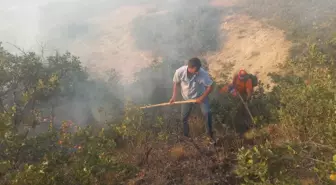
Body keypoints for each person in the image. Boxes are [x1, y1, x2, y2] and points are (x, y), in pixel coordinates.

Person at [169, 57, 214, 138]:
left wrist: (202, 98)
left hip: (200, 96)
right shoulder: (179, 72)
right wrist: (174, 96)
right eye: (196, 70)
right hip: (186, 98)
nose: (198, 72)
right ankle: (186, 136)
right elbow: (175, 82)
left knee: (207, 113)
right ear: (190, 68)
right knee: (183, 118)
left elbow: (210, 86)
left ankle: (209, 135)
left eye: (198, 70)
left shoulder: (202, 73)